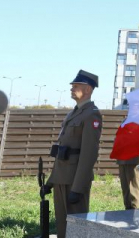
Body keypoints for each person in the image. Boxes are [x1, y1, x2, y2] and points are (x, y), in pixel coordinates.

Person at [40, 70, 102, 238]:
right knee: (62, 224)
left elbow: (89, 153)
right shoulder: (72, 113)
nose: (72, 89)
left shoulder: (92, 114)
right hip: (61, 177)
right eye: (72, 86)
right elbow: (62, 151)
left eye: (76, 86)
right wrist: (50, 182)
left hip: (75, 179)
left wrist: (78, 187)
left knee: (77, 226)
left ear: (88, 89)